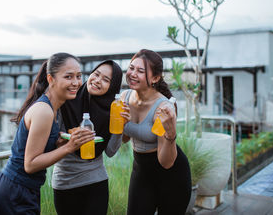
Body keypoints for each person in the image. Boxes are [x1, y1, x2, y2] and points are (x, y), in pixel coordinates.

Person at [0, 52, 95, 215]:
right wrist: (69, 147)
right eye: (68, 77)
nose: (76, 82)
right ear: (51, 79)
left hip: (23, 189)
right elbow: (30, 164)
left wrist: (59, 143)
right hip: (15, 191)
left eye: (79, 76)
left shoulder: (54, 108)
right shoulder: (44, 111)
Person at [121, 49, 191, 215]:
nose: (132, 74)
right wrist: (120, 122)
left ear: (155, 78)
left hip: (172, 176)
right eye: (131, 68)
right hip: (140, 171)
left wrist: (171, 134)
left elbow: (165, 162)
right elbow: (124, 139)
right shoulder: (124, 97)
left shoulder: (163, 108)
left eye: (140, 71)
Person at [52, 60, 126, 215]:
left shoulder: (113, 109)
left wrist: (120, 125)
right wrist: (68, 140)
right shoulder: (66, 100)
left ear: (112, 87)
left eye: (106, 80)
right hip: (65, 180)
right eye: (96, 74)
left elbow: (111, 152)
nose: (98, 80)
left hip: (95, 180)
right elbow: (52, 141)